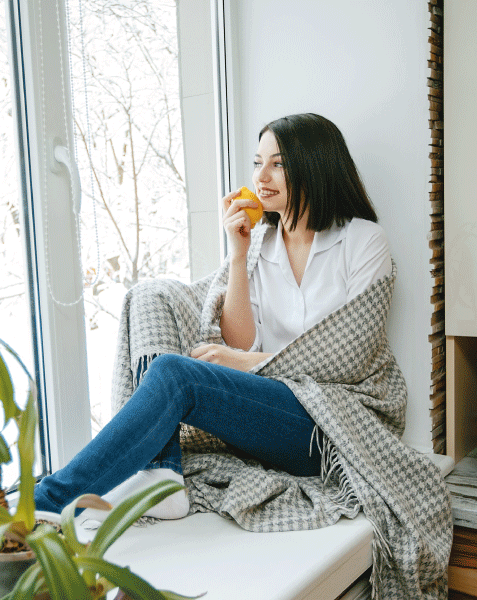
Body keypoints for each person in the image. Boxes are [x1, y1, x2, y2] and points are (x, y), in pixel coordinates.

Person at [33, 113, 393, 520]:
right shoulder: (261, 244)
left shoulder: (363, 241)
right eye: (258, 163)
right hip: (270, 414)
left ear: (316, 164)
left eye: (279, 164)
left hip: (331, 427)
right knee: (154, 308)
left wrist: (243, 364)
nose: (262, 176)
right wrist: (238, 255)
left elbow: (351, 358)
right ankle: (162, 474)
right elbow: (240, 342)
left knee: (174, 374)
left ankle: (48, 501)